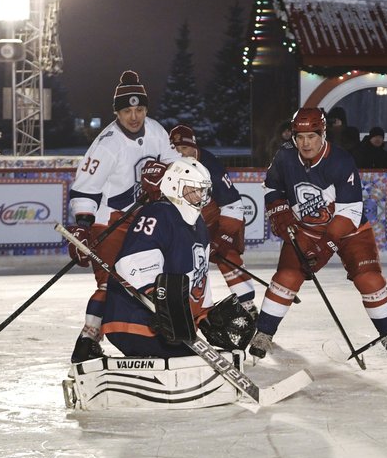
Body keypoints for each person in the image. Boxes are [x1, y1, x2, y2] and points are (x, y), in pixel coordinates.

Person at [250, 107, 387, 362]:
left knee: (369, 279)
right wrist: (279, 213)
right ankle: (264, 333)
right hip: (306, 229)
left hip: (349, 231)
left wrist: (324, 246)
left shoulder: (341, 161)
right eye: (299, 137)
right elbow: (272, 186)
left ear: (323, 135)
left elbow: (350, 213)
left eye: (311, 136)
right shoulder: (285, 156)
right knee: (286, 277)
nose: (305, 143)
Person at [66, 70, 182, 364]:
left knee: (150, 279)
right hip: (109, 221)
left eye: (139, 109)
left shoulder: (156, 131)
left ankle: (155, 334)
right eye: (127, 110)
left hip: (141, 221)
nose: (134, 117)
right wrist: (83, 229)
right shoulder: (107, 144)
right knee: (110, 282)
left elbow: (176, 166)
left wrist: (166, 177)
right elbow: (84, 189)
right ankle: (88, 340)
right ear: (116, 112)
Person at [100, 157, 254, 359]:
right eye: (193, 189)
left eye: (202, 190)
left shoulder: (199, 224)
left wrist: (204, 316)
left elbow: (198, 278)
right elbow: (132, 263)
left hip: (171, 328)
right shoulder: (157, 213)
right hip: (134, 321)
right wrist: (160, 303)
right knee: (190, 362)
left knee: (197, 361)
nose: (200, 196)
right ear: (174, 186)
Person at [169, 123, 256, 315]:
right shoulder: (170, 167)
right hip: (189, 225)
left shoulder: (210, 166)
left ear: (194, 146)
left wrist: (222, 237)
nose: (182, 154)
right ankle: (183, 307)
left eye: (185, 148)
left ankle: (248, 307)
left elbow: (233, 204)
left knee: (228, 256)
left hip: (217, 220)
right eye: (176, 150)